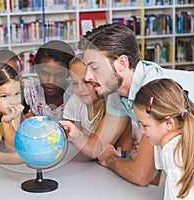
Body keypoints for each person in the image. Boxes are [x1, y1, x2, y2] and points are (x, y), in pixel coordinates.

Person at [61, 22, 194, 186]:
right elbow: (97, 146)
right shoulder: (116, 91)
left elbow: (141, 175)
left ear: (122, 63)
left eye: (94, 67)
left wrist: (110, 159)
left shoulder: (151, 92)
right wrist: (75, 133)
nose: (87, 77)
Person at [133, 78, 194, 199]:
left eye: (145, 125)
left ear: (168, 124)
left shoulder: (174, 153)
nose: (141, 131)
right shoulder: (173, 143)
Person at [63, 54, 133, 158]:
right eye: (74, 83)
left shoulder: (117, 104)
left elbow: (124, 152)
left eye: (87, 82)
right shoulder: (75, 101)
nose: (80, 89)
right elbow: (74, 144)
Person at [23, 40, 75, 120]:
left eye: (59, 75)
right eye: (45, 74)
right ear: (37, 69)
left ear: (68, 73)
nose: (51, 81)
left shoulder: (76, 93)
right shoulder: (29, 94)